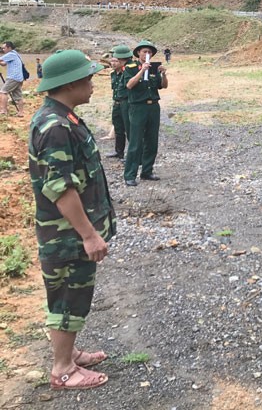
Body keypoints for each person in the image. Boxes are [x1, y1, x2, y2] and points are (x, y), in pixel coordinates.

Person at [28, 49, 116, 390]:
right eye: (89, 78)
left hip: (67, 235)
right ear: (71, 82)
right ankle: (63, 370)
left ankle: (69, 353)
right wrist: (89, 235)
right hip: (65, 236)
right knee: (68, 297)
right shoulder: (56, 127)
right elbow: (61, 189)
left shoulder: (63, 118)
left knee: (72, 296)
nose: (93, 84)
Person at [123, 40, 168, 186]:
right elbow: (129, 85)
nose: (147, 54)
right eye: (144, 52)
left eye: (149, 52)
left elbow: (163, 86)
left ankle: (147, 171)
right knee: (136, 142)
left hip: (153, 107)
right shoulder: (130, 67)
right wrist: (142, 70)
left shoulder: (154, 68)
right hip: (138, 107)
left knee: (152, 140)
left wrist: (164, 74)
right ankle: (130, 174)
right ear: (138, 53)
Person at [108, 45, 133, 161]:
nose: (112, 63)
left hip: (126, 103)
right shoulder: (113, 74)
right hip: (117, 103)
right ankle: (119, 152)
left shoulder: (127, 72)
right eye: (112, 60)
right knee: (118, 128)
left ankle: (132, 153)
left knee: (129, 129)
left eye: (115, 61)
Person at [0, 40, 25, 115]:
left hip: (13, 77)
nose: (3, 50)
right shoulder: (15, 54)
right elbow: (4, 63)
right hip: (18, 78)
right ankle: (21, 112)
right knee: (18, 96)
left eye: (4, 48)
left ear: (9, 48)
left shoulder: (10, 54)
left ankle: (4, 111)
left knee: (3, 92)